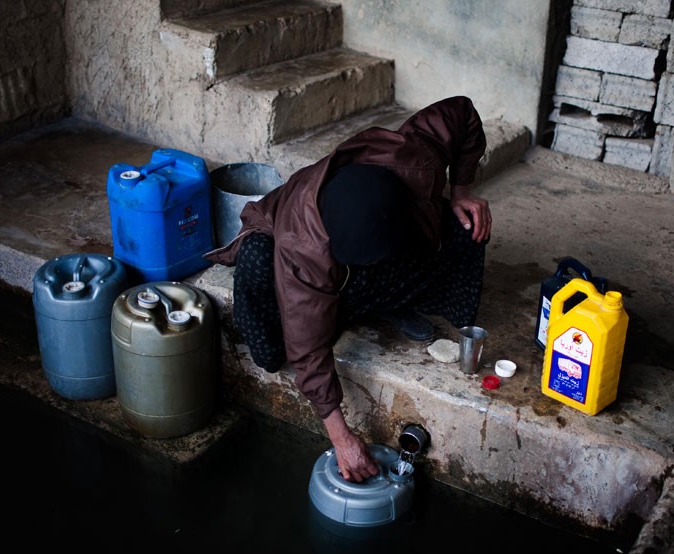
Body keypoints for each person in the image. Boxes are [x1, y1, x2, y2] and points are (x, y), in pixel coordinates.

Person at [204, 95, 492, 482]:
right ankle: (347, 303)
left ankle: (376, 300)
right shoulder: (303, 248)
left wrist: (460, 190)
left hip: (375, 241)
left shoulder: (412, 157)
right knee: (272, 340)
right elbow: (307, 350)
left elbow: (462, 113)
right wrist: (341, 438)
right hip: (281, 253)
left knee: (466, 226)